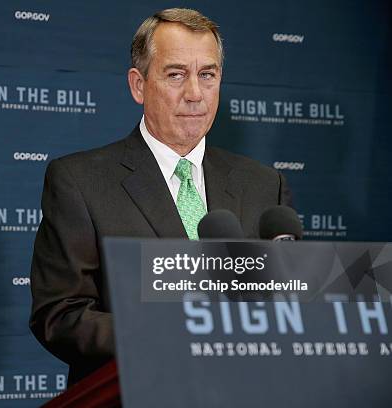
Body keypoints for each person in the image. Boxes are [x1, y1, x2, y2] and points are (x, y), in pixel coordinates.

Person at [29, 8, 291, 385]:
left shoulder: (266, 184)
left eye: (207, 75)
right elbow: (60, 315)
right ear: (138, 85)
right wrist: (169, 334)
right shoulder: (80, 181)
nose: (195, 94)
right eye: (175, 75)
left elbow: (291, 306)